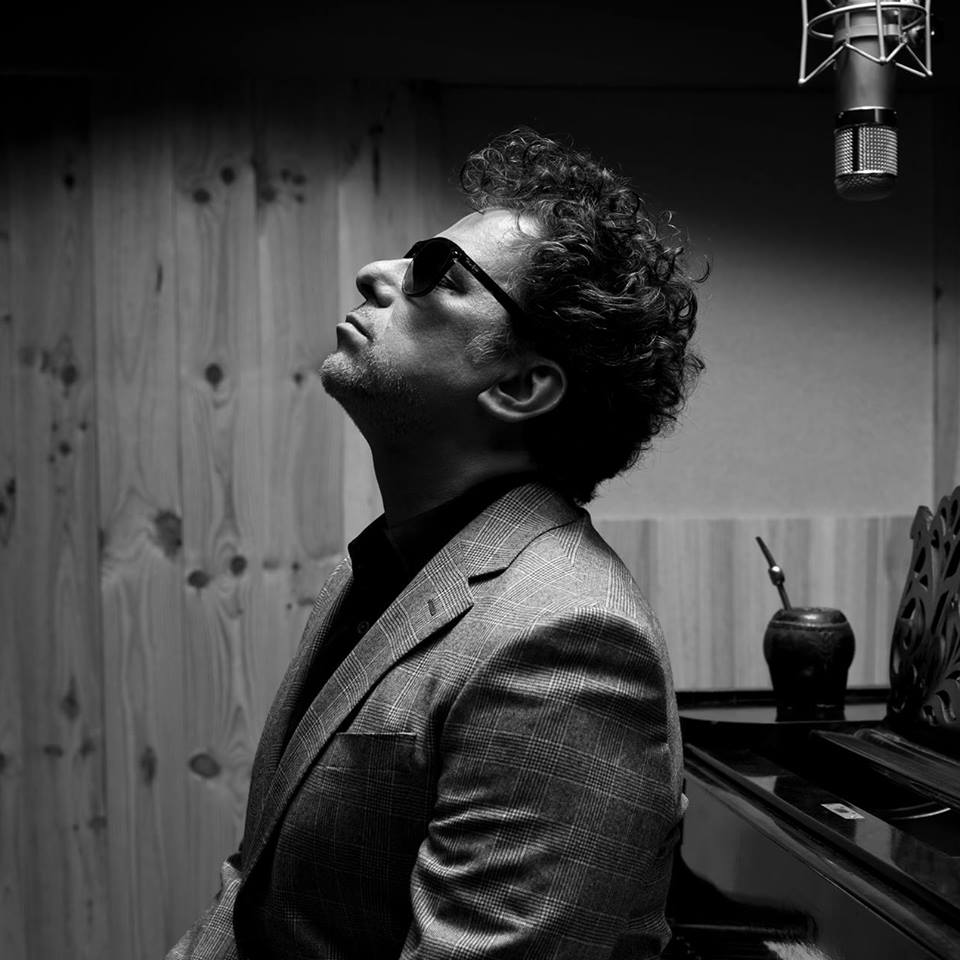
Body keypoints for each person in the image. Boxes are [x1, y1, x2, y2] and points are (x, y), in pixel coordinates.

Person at [167, 128, 704, 960]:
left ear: (520, 385)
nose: (375, 272)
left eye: (435, 273)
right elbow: (256, 895)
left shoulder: (567, 641)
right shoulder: (390, 564)